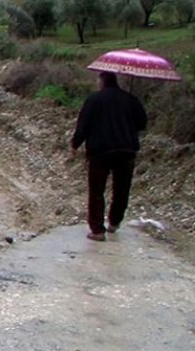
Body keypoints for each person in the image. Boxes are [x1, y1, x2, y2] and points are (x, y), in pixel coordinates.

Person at [71, 72, 147, 241]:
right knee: (122, 189)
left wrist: (75, 144)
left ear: (102, 81)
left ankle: (97, 230)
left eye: (98, 80)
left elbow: (83, 125)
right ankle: (114, 222)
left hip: (100, 151)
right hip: (126, 150)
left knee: (97, 190)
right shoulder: (131, 100)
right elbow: (142, 123)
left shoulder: (94, 99)